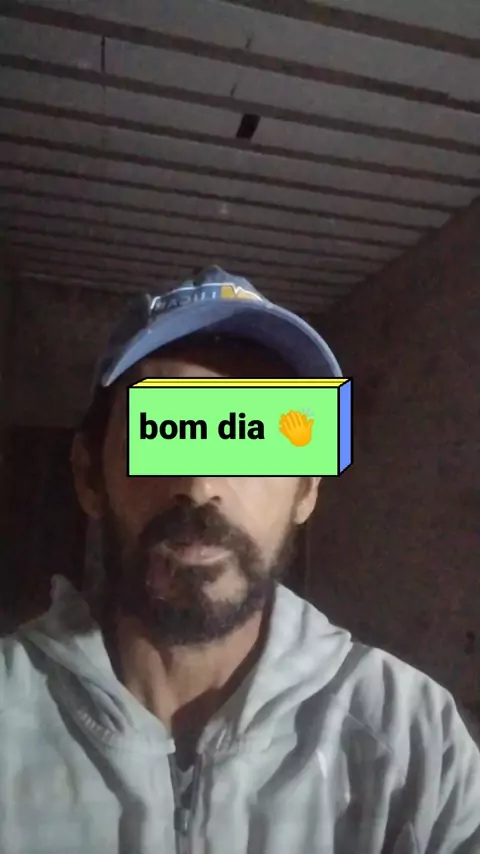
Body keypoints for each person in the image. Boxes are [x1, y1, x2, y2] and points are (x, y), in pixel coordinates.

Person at [1, 265, 479, 854]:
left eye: (251, 435)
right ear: (89, 475)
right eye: (167, 429)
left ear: (307, 489)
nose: (201, 485)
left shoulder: (416, 746)